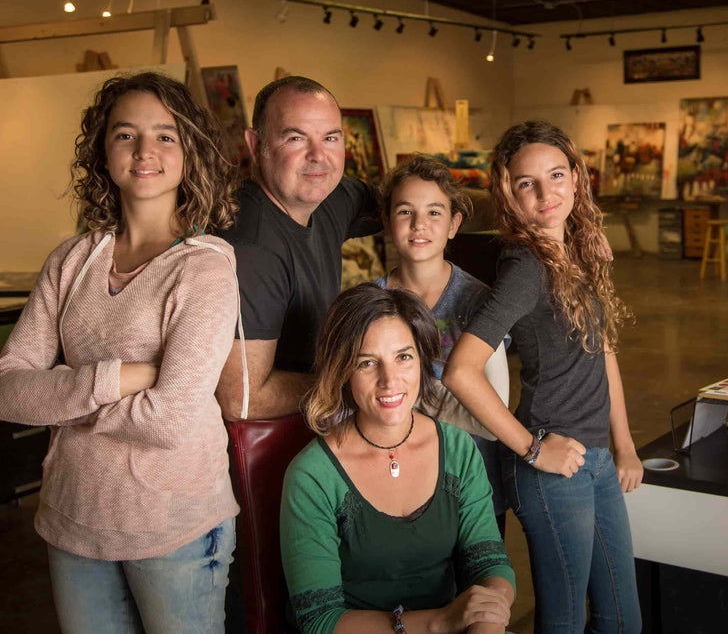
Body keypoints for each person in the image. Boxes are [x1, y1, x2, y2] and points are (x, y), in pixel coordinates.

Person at [0, 72, 241, 632]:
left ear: (189, 153)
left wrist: (59, 401)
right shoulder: (71, 259)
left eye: (165, 136)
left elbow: (171, 420)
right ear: (103, 151)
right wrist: (126, 377)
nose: (144, 151)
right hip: (71, 520)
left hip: (173, 527)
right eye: (125, 134)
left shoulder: (204, 266)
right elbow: (8, 388)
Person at [443, 120, 644, 633]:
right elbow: (461, 370)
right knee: (564, 624)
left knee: (623, 621)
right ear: (509, 194)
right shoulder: (525, 268)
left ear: (577, 177)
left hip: (596, 459)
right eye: (526, 183)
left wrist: (624, 445)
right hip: (552, 471)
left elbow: (604, 353)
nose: (546, 193)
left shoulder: (577, 250)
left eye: (556, 175)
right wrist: (533, 449)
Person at [280, 284, 515, 634]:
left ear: (421, 360)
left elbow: (489, 561)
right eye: (367, 362)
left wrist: (488, 618)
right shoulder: (312, 475)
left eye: (403, 357)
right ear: (344, 371)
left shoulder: (458, 449)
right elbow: (319, 620)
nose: (389, 381)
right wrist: (439, 621)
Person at [216, 76, 380, 421]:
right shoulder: (250, 247)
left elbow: (417, 203)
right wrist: (353, 382)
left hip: (313, 428)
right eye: (295, 138)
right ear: (255, 144)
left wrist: (508, 209)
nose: (319, 157)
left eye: (331, 138)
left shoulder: (330, 197)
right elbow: (242, 400)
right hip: (264, 455)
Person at [373, 155, 510, 535]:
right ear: (386, 222)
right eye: (405, 211)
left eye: (435, 212)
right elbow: (360, 408)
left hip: (475, 485)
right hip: (395, 485)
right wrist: (453, 399)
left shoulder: (481, 303)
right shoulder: (369, 304)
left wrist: (407, 405)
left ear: (454, 225)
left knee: (480, 587)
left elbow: (489, 419)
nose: (420, 225)